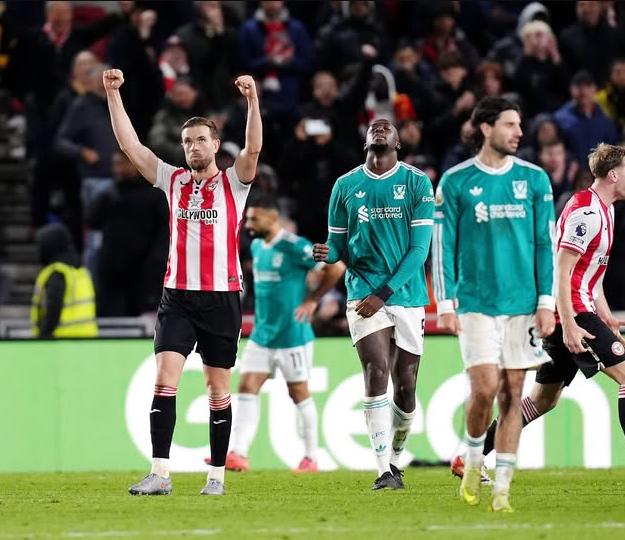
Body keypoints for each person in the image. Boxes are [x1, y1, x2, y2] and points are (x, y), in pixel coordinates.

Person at [458, 144, 625, 488]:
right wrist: (568, 323)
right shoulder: (587, 212)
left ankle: (471, 458)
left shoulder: (606, 210)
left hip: (576, 310)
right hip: (571, 313)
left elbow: (592, 274)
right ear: (613, 174)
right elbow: (561, 271)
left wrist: (606, 316)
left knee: (543, 400)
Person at [104, 67, 262, 496]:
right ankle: (160, 473)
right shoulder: (172, 180)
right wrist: (113, 94)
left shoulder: (235, 183)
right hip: (177, 297)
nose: (193, 147)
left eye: (200, 140)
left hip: (222, 297)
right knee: (164, 381)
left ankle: (217, 477)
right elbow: (131, 146)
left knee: (217, 388)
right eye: (187, 141)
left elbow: (252, 148)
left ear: (215, 145)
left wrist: (252, 100)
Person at [432, 96, 556, 513]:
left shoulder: (535, 179)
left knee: (512, 394)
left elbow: (545, 244)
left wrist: (546, 302)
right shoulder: (455, 182)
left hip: (522, 304)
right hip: (476, 303)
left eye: (519, 125)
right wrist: (445, 303)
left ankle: (502, 488)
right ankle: (472, 460)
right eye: (509, 124)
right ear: (485, 128)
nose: (519, 132)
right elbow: (443, 246)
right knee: (484, 388)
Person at [312, 118, 434, 490]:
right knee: (375, 371)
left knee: (406, 386)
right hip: (363, 293)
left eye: (387, 127)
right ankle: (383, 471)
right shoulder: (345, 185)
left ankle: (396, 459)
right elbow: (338, 244)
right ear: (366, 141)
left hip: (405, 294)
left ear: (398, 143)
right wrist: (327, 253)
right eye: (373, 128)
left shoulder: (416, 182)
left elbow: (419, 250)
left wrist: (385, 293)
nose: (379, 129)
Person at [218, 196, 345, 472]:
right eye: (248, 219)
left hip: (292, 336)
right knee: (246, 387)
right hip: (262, 335)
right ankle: (238, 453)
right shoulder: (257, 246)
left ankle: (311, 457)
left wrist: (313, 300)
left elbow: (336, 267)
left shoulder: (294, 246)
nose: (249, 225)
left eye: (254, 219)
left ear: (272, 217)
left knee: (298, 393)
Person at [30, 223, 97, 338]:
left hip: (61, 342)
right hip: (87, 339)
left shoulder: (57, 272)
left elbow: (53, 311)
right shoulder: (81, 272)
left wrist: (42, 337)